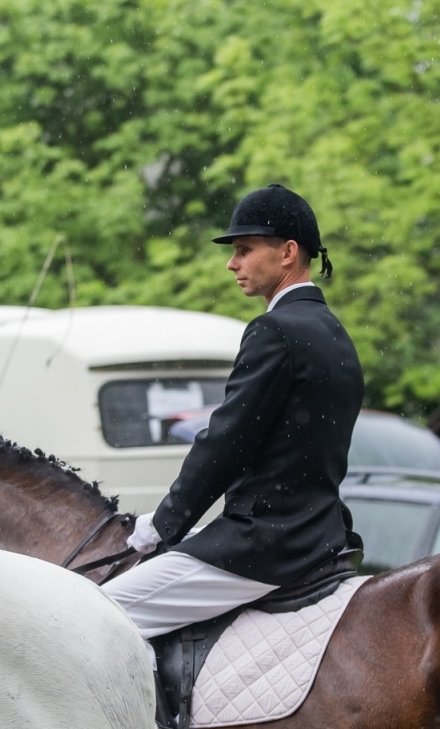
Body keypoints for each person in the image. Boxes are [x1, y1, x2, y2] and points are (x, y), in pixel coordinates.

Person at [102, 184, 363, 639]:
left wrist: (164, 524)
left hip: (265, 545)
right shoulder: (336, 334)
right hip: (323, 536)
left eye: (244, 250)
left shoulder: (274, 330)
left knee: (98, 618)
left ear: (287, 252)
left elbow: (226, 441)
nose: (231, 263)